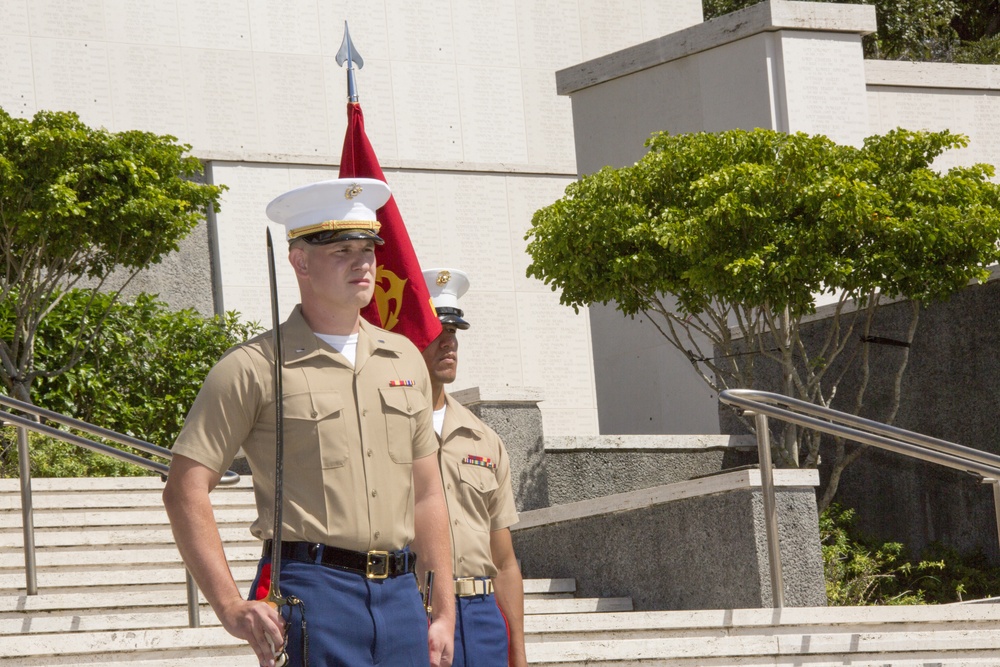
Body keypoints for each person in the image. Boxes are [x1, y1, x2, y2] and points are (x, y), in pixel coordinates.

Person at [163, 178, 455, 667]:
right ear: (300, 261)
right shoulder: (254, 366)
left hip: (404, 598)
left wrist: (443, 610)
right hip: (314, 594)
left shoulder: (404, 358)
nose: (363, 263)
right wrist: (231, 607)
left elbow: (428, 492)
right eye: (342, 250)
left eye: (368, 249)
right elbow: (184, 490)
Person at [420, 268, 527, 667]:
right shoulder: (383, 431)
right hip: (416, 609)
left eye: (454, 332)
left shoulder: (484, 438)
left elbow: (504, 560)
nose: (449, 342)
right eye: (436, 330)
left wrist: (517, 647)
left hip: (482, 617)